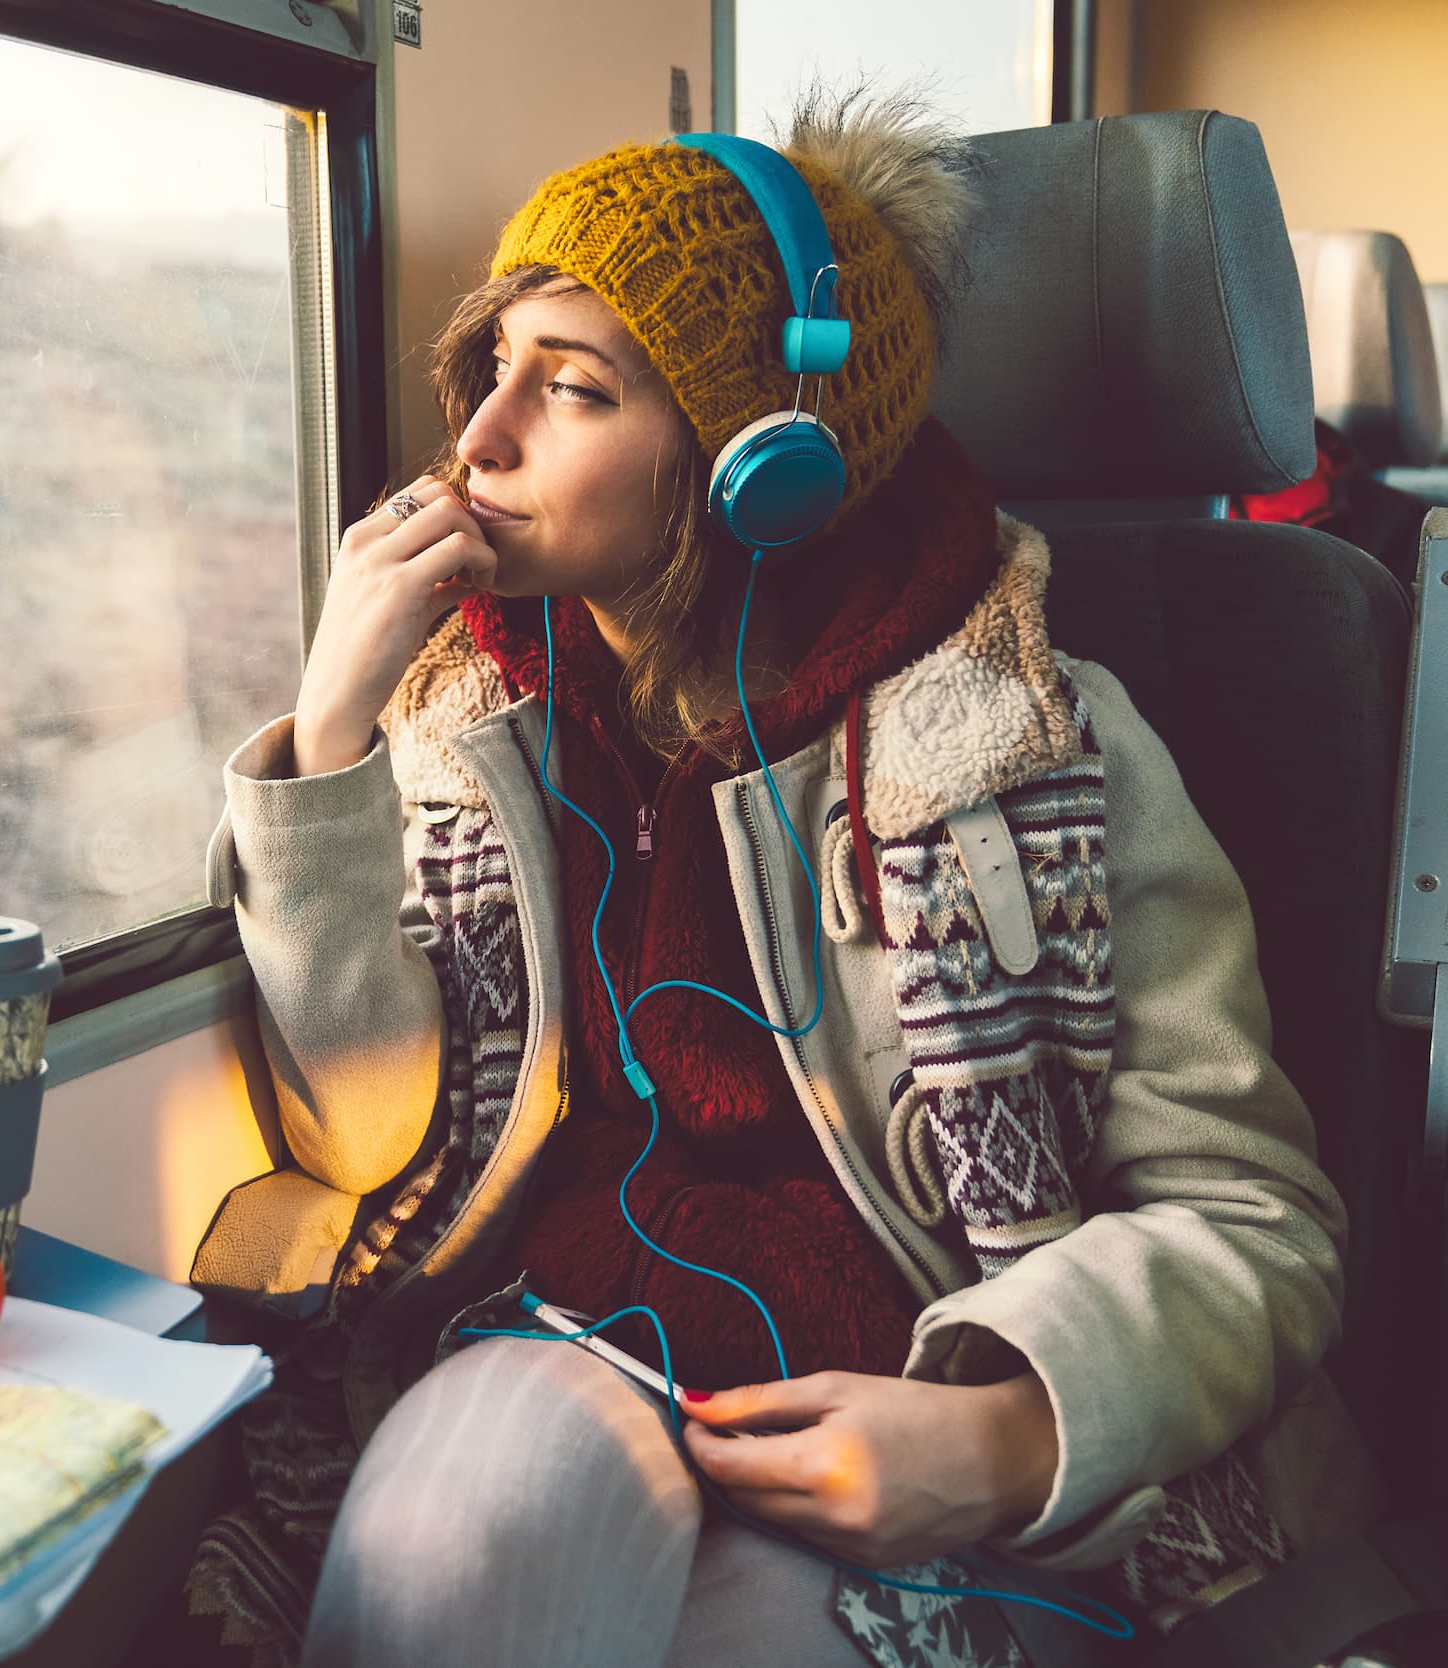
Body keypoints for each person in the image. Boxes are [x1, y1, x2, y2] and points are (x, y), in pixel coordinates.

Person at [183, 91, 1379, 1668]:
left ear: (767, 466)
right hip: (572, 1338)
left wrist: (1010, 1433)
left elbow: (1254, 1219)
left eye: (576, 388)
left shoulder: (1037, 751)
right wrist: (333, 730)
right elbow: (369, 1138)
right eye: (493, 371)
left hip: (919, 1392)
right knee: (443, 1552)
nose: (477, 441)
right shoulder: (463, 726)